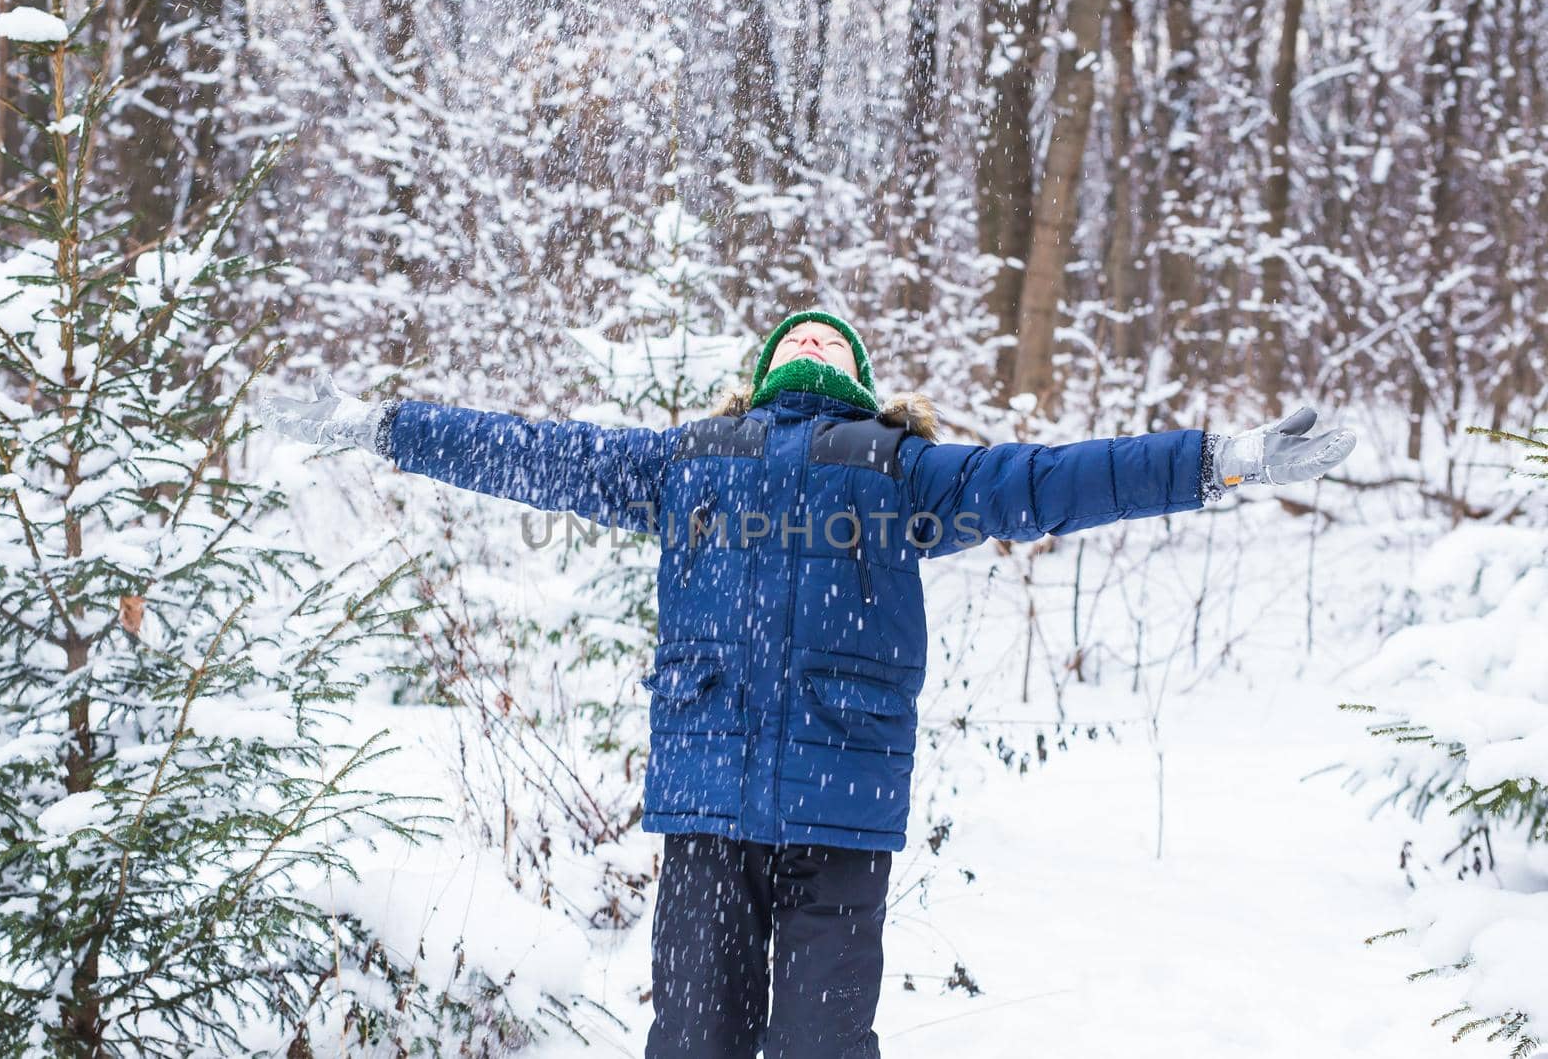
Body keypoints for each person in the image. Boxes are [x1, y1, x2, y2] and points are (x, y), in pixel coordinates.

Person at [259, 311, 1356, 1059]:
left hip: (838, 815)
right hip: (708, 808)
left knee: (824, 1047)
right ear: (766, 369)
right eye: (802, 331)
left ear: (865, 383)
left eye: (836, 336)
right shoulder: (685, 462)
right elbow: (528, 450)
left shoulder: (902, 471)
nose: (818, 335)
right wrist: (384, 427)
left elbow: (1057, 479)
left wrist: (1225, 457)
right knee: (691, 1043)